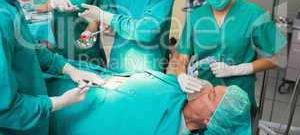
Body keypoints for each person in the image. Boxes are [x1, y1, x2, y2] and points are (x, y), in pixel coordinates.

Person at [0, 0, 106, 134]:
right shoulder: (2, 17)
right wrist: (56, 103)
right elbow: (4, 108)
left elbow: (29, 48)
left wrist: (69, 69)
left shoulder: (12, 4)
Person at [167, 0, 287, 115]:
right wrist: (181, 75)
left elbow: (279, 58)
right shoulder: (196, 16)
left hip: (238, 96)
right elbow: (183, 55)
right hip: (203, 94)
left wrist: (239, 69)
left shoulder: (254, 14)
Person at [46, 61, 251, 135]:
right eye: (213, 87)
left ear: (209, 121)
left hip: (67, 117)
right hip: (76, 83)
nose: (205, 87)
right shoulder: (175, 88)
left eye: (211, 94)